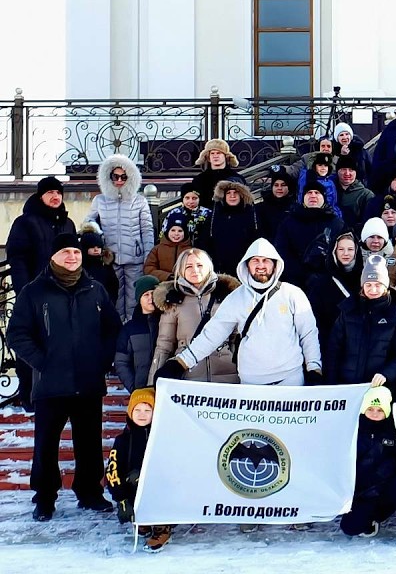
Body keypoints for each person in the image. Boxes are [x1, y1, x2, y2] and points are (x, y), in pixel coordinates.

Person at [7, 233, 121, 520]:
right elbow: (17, 334)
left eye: (76, 252)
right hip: (50, 384)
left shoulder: (95, 289)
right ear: (53, 257)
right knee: (46, 444)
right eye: (66, 252)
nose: (72, 257)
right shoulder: (34, 292)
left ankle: (90, 492)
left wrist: (102, 360)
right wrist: (42, 362)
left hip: (88, 381)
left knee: (90, 442)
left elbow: (112, 329)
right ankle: (44, 498)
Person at [154, 239, 322, 386]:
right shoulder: (235, 298)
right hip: (252, 381)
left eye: (266, 261)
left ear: (275, 264)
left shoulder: (292, 294)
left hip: (290, 378)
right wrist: (180, 362)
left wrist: (314, 367)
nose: (261, 265)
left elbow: (308, 333)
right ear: (247, 264)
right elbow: (212, 335)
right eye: (255, 260)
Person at [326, 255, 396, 400]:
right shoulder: (348, 311)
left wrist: (386, 374)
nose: (373, 289)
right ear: (362, 286)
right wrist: (332, 383)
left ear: (385, 286)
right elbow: (334, 349)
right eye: (368, 284)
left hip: (379, 391)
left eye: (378, 284)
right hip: (347, 387)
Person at [340, 386, 396, 545]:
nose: (375, 413)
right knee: (350, 527)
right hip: (364, 492)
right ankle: (372, 519)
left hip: (388, 489)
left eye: (380, 409)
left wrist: (387, 470)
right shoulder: (353, 430)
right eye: (370, 408)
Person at [149, 247, 240, 384]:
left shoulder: (227, 295)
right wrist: (153, 384)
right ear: (181, 270)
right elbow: (164, 345)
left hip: (227, 377)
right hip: (189, 377)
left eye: (199, 265)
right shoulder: (173, 300)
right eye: (189, 266)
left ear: (208, 267)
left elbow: (237, 338)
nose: (195, 270)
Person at [86, 154, 154, 318]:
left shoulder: (139, 201)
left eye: (123, 176)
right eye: (115, 176)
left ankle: (132, 334)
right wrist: (97, 235)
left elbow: (147, 229)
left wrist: (148, 256)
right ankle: (116, 336)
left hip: (135, 259)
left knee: (134, 299)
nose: (119, 180)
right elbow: (89, 222)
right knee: (113, 298)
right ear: (108, 177)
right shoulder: (100, 200)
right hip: (110, 259)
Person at [105, 387, 172, 551]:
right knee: (133, 477)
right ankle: (142, 519)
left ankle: (162, 527)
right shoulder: (122, 440)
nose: (142, 414)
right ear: (130, 412)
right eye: (138, 410)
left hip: (161, 489)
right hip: (135, 486)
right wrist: (121, 499)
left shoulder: (165, 437)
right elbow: (113, 472)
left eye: (147, 410)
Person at [274, 181, 345, 286]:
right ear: (303, 198)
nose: (313, 195)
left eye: (317, 193)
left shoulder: (336, 223)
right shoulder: (289, 222)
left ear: (324, 197)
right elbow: (281, 250)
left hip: (329, 282)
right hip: (295, 282)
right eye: (309, 193)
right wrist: (300, 274)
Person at [206, 180, 261, 275]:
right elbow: (206, 239)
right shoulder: (215, 215)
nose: (232, 196)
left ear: (241, 195)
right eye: (228, 193)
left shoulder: (252, 214)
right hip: (219, 268)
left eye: (236, 192)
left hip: (245, 267)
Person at [189, 139, 248, 206]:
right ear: (208, 157)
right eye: (212, 153)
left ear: (225, 156)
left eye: (218, 153)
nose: (215, 156)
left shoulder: (236, 178)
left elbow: (244, 201)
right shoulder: (199, 179)